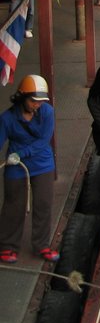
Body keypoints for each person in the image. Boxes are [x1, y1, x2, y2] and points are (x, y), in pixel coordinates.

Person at [0, 75, 59, 263]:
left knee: (43, 204)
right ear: (22, 97)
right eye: (34, 101)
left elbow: (43, 142)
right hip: (16, 167)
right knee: (13, 205)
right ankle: (8, 245)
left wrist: (21, 154)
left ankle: (42, 245)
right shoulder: (7, 119)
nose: (37, 105)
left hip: (41, 164)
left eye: (40, 102)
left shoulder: (48, 112)